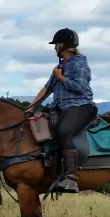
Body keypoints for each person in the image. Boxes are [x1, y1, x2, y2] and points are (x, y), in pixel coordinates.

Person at [26, 28, 95, 193]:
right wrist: (30, 108)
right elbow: (47, 88)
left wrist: (61, 78)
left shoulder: (80, 63)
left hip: (80, 106)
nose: (54, 47)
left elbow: (81, 87)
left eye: (56, 44)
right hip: (59, 107)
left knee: (65, 131)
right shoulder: (60, 66)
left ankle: (71, 179)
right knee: (42, 129)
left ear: (63, 45)